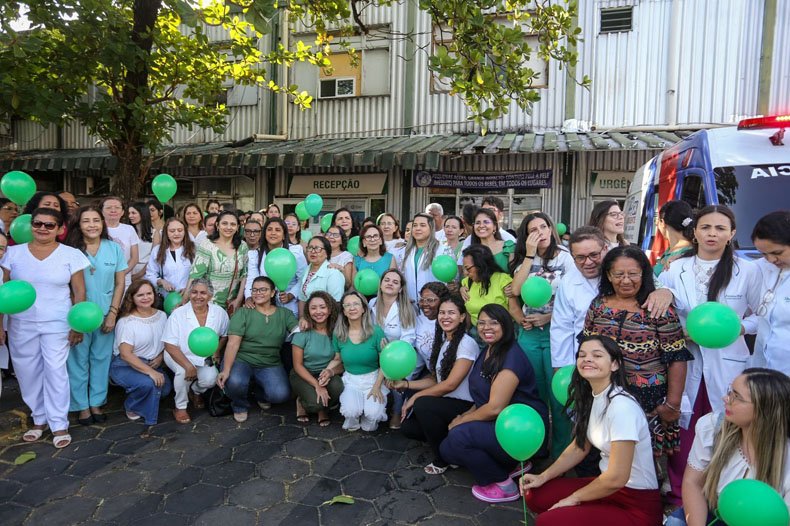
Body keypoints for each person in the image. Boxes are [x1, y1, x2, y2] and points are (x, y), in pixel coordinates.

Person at [659, 205, 762, 504]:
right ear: (695, 232)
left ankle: (721, 494)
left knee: (726, 427)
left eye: (720, 228)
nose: (712, 234)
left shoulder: (748, 270)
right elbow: (662, 316)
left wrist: (736, 328)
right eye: (706, 228)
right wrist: (680, 331)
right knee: (685, 428)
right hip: (686, 361)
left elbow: (761, 317)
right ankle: (680, 495)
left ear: (731, 234)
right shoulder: (676, 269)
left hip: (729, 362)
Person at [522, 335, 662, 526]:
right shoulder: (593, 396)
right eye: (582, 355)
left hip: (636, 504)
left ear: (614, 365)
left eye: (597, 355)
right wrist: (542, 476)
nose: (587, 359)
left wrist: (573, 498)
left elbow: (617, 478)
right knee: (535, 494)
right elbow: (579, 447)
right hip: (606, 487)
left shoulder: (622, 407)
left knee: (548, 521)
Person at [582, 245, 692, 458]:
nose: (626, 280)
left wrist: (672, 404)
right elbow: (586, 347)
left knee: (643, 463)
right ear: (608, 275)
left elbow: (677, 357)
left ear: (644, 274)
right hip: (604, 395)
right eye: (619, 274)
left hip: (648, 401)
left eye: (633, 274)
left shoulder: (658, 309)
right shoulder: (598, 306)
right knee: (606, 455)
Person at [439, 304, 549, 503]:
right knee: (447, 449)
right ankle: (514, 464)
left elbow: (495, 407)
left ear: (506, 326)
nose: (486, 327)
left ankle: (504, 484)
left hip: (521, 431)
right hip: (501, 424)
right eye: (481, 323)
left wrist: (463, 421)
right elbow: (482, 397)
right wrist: (464, 417)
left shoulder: (511, 356)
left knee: (457, 438)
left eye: (493, 323)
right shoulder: (489, 349)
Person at [0, 207, 89, 448]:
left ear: (60, 229)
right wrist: (1, 325)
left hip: (58, 321)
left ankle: (59, 423)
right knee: (27, 372)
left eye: (49, 225)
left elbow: (79, 291)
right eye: (38, 223)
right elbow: (4, 290)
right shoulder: (13, 253)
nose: (42, 228)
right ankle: (39, 418)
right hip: (21, 322)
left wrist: (77, 324)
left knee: (56, 371)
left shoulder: (71, 255)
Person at [666, 368, 790, 526]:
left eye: (736, 397)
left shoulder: (786, 456)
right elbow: (693, 483)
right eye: (730, 392)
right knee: (675, 523)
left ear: (764, 410)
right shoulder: (712, 427)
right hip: (715, 514)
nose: (726, 399)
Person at [550, 227, 674, 370]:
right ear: (572, 256)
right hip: (589, 366)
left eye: (594, 255)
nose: (588, 262)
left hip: (637, 363)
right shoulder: (568, 282)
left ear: (605, 249)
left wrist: (666, 292)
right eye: (580, 257)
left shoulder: (625, 267)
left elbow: (655, 285)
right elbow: (561, 329)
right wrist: (561, 369)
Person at [509, 212, 576, 459]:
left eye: (543, 227)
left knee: (559, 396)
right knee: (532, 393)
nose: (540, 233)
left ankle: (561, 456)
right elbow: (515, 291)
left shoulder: (567, 258)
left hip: (556, 332)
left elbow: (572, 298)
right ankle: (535, 451)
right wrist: (528, 254)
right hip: (528, 334)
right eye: (533, 229)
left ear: (551, 229)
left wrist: (549, 318)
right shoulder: (523, 258)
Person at [397, 295, 479, 474]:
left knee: (422, 404)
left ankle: (443, 458)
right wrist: (406, 385)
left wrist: (417, 396)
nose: (445, 317)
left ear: (462, 317)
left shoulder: (466, 344)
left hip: (463, 403)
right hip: (445, 401)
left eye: (451, 313)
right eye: (442, 312)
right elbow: (436, 379)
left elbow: (450, 384)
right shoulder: (444, 341)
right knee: (408, 427)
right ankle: (452, 446)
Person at [64, 206, 127, 425]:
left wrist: (113, 313)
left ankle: (96, 403)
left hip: (105, 314)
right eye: (86, 221)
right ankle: (81, 406)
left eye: (96, 220)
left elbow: (120, 283)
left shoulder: (114, 248)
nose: (92, 225)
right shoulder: (70, 250)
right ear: (78, 225)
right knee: (77, 361)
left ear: (103, 223)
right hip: (77, 315)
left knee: (101, 359)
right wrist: (75, 320)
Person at [216, 276, 298, 422]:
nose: (258, 293)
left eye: (263, 290)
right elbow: (233, 343)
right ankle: (240, 405)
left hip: (270, 362)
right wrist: (226, 370)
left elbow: (297, 331)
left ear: (273, 293)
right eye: (254, 290)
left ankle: (260, 393)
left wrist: (304, 323)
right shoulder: (243, 313)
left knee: (280, 395)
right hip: (241, 360)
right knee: (234, 382)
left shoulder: (284, 314)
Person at [163, 278, 229, 424]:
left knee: (210, 380)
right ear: (189, 294)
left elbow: (224, 336)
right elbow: (169, 345)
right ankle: (180, 406)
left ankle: (196, 391)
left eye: (203, 293)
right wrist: (187, 366)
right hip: (178, 354)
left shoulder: (219, 312)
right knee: (182, 373)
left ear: (210, 296)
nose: (198, 296)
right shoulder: (178, 314)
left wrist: (216, 351)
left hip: (204, 356)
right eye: (194, 292)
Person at [109, 279, 171, 424]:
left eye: (149, 293)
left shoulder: (162, 316)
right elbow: (125, 354)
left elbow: (168, 341)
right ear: (132, 298)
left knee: (166, 388)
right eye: (140, 295)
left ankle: (143, 394)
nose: (145, 298)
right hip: (125, 365)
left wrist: (161, 356)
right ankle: (131, 406)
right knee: (150, 384)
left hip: (152, 363)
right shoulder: (127, 322)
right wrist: (151, 372)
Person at [333, 290, 389, 431]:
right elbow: (337, 359)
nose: (352, 308)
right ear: (344, 311)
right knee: (351, 412)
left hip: (373, 378)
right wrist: (328, 370)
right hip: (352, 380)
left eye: (356, 304)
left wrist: (377, 386)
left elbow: (385, 362)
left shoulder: (376, 332)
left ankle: (368, 415)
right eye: (348, 305)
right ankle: (355, 414)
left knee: (373, 417)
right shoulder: (338, 333)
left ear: (363, 309)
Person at [369, 269, 417, 428]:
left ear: (401, 289)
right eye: (387, 280)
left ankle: (397, 411)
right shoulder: (372, 304)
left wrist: (391, 354)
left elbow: (408, 339)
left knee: (396, 377)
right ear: (381, 283)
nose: (390, 284)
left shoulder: (406, 309)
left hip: (398, 357)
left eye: (395, 282)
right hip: (375, 353)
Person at [290, 291, 345, 426]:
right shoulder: (302, 332)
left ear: (330, 309)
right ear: (308, 311)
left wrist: (329, 373)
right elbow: (297, 365)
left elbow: (341, 362)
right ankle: (301, 402)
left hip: (325, 372)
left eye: (322, 307)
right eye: (313, 308)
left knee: (339, 386)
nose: (318, 311)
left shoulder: (336, 332)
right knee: (314, 404)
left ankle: (323, 409)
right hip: (303, 373)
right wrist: (316, 385)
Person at [750, 210, 790, 375]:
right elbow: (725, 266)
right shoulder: (763, 267)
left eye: (777, 253)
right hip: (764, 372)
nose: (771, 260)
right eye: (764, 254)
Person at [187, 210, 248, 312]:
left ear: (238, 227)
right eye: (224, 223)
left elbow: (244, 275)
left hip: (231, 305)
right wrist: (185, 301)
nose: (228, 227)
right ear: (217, 225)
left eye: (233, 224)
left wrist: (238, 299)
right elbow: (195, 276)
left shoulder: (242, 246)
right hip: (209, 304)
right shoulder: (207, 245)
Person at [246, 217, 306, 317]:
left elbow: (303, 278)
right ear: (264, 234)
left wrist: (291, 295)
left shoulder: (295, 252)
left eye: (277, 230)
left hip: (290, 306)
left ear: (283, 235)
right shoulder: (255, 255)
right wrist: (249, 297)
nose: (273, 233)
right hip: (264, 305)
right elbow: (252, 279)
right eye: (269, 230)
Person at [461, 244, 522, 328]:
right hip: (477, 333)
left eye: (468, 268)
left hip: (502, 331)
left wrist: (526, 325)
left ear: (480, 265)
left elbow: (514, 309)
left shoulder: (503, 280)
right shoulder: (466, 283)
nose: (466, 273)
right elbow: (468, 312)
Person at [400, 213, 454, 304]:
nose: (418, 228)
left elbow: (451, 279)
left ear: (431, 228)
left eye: (423, 225)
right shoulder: (403, 252)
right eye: (415, 225)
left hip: (434, 306)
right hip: (409, 306)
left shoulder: (443, 250)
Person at [146, 217, 195, 297]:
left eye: (180, 230)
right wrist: (161, 281)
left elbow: (200, 274)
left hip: (189, 296)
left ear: (185, 232)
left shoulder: (193, 249)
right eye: (172, 231)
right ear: (166, 233)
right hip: (167, 297)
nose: (176, 234)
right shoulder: (157, 250)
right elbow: (150, 274)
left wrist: (189, 288)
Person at [298, 236, 345, 314]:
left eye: (318, 249)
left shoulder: (333, 273)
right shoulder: (306, 270)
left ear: (327, 253)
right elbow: (302, 299)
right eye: (310, 248)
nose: (313, 251)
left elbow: (336, 303)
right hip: (309, 318)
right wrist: (302, 319)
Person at [461, 208, 514, 273]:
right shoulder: (469, 252)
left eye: (486, 222)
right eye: (478, 223)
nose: (481, 226)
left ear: (494, 226)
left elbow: (515, 277)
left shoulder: (509, 247)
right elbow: (467, 277)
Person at [101, 196, 139, 288]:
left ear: (122, 212)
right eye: (109, 208)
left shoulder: (129, 229)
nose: (113, 210)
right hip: (102, 279)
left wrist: (120, 274)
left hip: (124, 280)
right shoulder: (97, 229)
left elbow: (134, 258)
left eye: (117, 208)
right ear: (102, 211)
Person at [414, 282, 450, 369]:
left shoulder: (448, 323)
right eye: (422, 300)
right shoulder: (418, 320)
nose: (425, 304)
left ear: (442, 301)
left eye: (430, 300)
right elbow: (418, 358)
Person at [654, 200, 694, 276]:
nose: (656, 224)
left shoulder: (686, 257)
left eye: (658, 221)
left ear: (662, 223)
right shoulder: (671, 250)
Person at [128, 201, 157, 281]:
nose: (130, 216)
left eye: (133, 213)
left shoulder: (155, 233)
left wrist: (139, 275)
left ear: (143, 213)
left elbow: (154, 258)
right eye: (129, 213)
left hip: (146, 272)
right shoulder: (127, 232)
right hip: (128, 270)